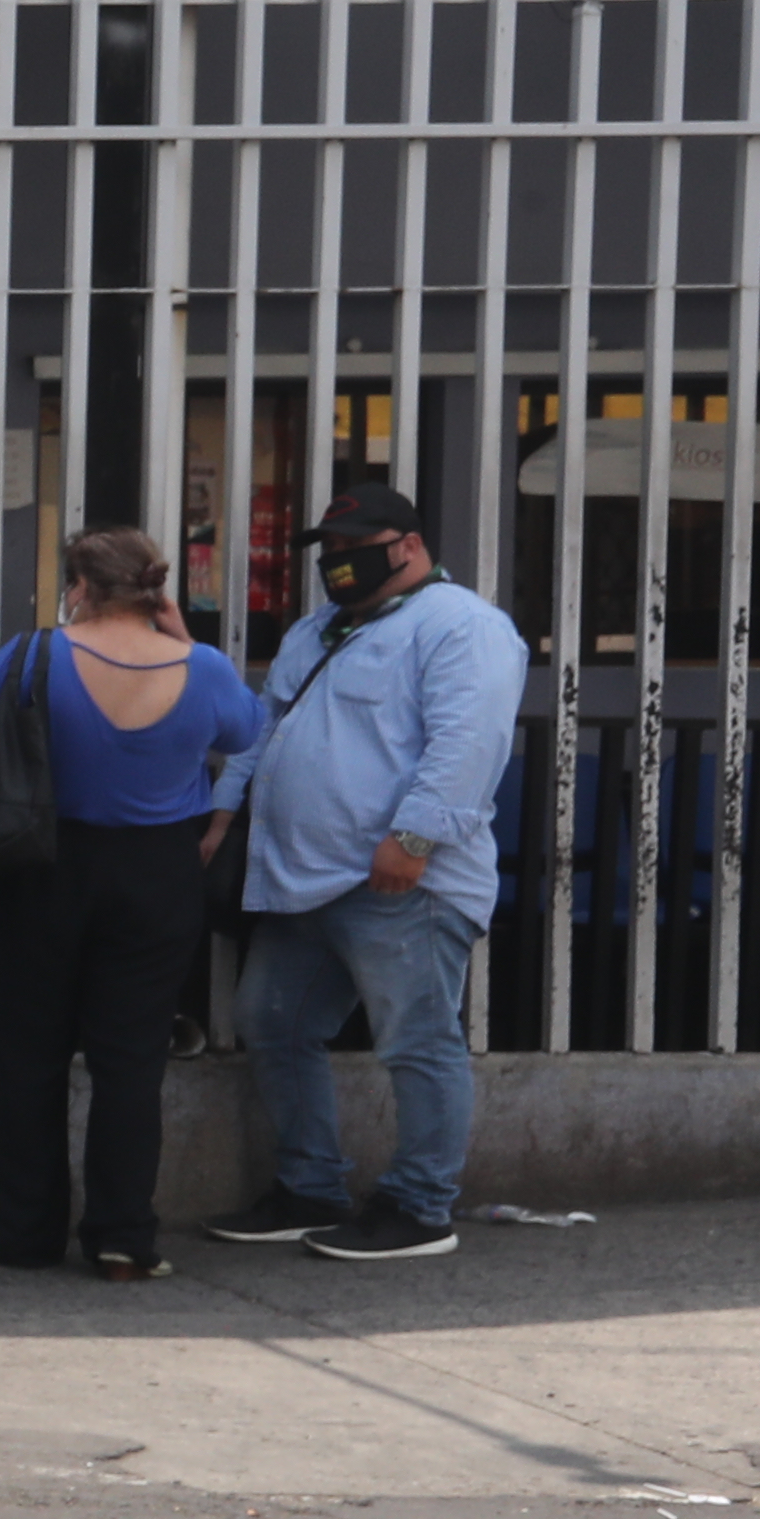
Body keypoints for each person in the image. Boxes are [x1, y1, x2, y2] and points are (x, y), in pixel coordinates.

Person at [0, 526, 265, 1282]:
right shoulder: (204, 668)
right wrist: (182, 636)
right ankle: (121, 1239)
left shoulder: (32, 656)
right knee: (131, 1062)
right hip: (156, 876)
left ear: (78, 587)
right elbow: (247, 729)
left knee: (27, 1057)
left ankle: (25, 1236)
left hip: (39, 865)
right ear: (154, 590)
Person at [206, 480, 532, 1262]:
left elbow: (468, 743)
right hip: (301, 877)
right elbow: (266, 724)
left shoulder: (463, 627)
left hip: (400, 882)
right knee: (273, 1023)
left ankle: (421, 1208)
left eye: (358, 550)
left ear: (410, 546)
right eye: (332, 553)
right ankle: (309, 1188)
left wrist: (414, 840)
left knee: (417, 1041)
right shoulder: (317, 630)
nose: (341, 565)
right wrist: (224, 810)